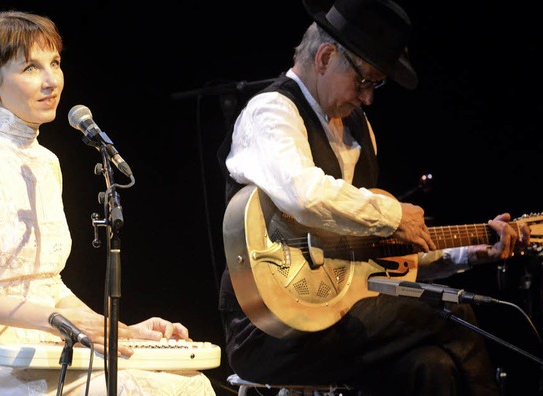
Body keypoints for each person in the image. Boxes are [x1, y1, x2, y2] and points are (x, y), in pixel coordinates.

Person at [217, 0, 531, 395]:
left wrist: (470, 251)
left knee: (431, 366)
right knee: (452, 314)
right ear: (326, 57)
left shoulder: (357, 129)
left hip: (344, 320)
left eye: (374, 85)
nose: (368, 98)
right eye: (364, 81)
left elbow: (378, 260)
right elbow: (303, 194)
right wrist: (392, 213)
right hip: (272, 331)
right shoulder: (271, 113)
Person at [0, 10, 214, 396]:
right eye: (30, 68)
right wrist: (56, 321)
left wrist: (119, 331)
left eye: (54, 64)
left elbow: (47, 285)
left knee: (189, 384)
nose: (50, 81)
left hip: (43, 349)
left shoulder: (47, 163)